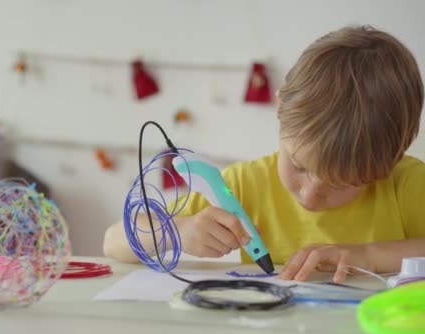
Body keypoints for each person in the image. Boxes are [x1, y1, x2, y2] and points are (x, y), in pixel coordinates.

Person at [103, 25, 425, 283]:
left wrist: (367, 257)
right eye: (299, 167)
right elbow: (113, 241)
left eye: (340, 184)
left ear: (389, 162)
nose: (311, 195)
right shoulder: (243, 184)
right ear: (281, 107)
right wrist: (178, 233)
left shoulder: (407, 184)